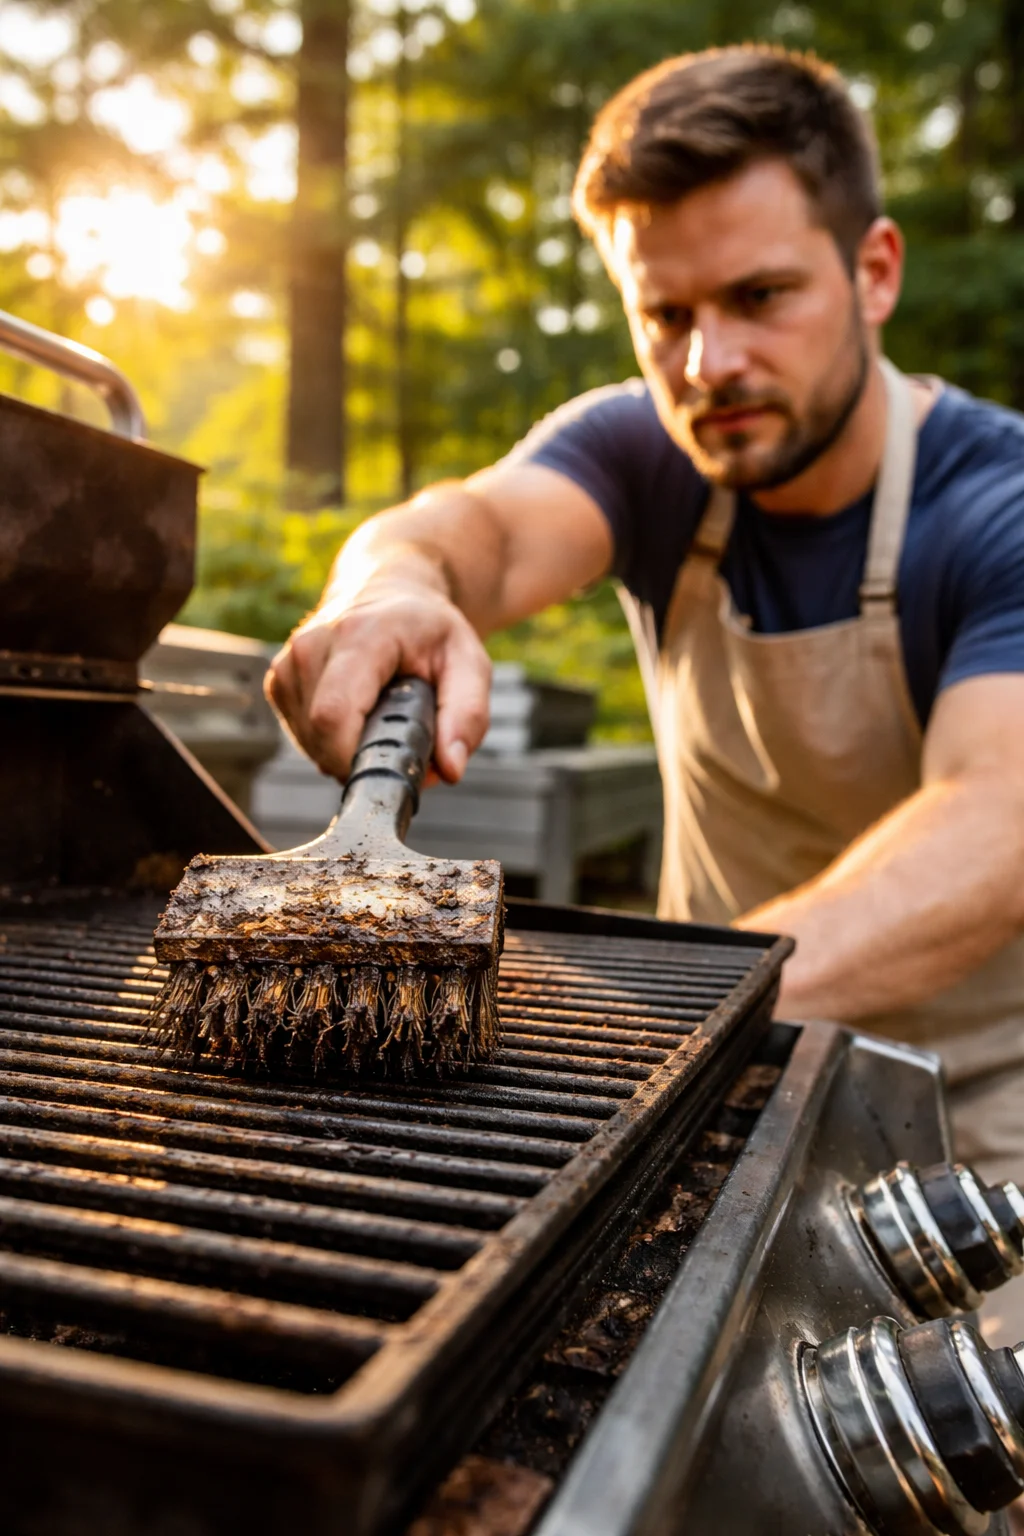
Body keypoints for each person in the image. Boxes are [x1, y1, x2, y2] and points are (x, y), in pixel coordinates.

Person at [267, 46, 1024, 1336]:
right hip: (709, 1096)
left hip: (978, 1123)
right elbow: (475, 530)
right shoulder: (645, 453)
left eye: (761, 295)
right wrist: (389, 584)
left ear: (875, 271)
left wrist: (652, 1022)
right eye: (665, 314)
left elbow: (995, 827)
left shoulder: (994, 501)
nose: (708, 360)